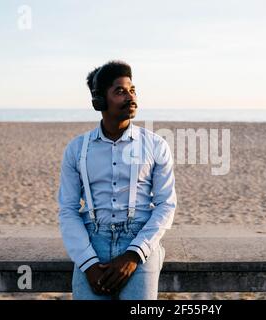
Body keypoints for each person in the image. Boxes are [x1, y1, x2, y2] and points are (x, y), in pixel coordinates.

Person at [57, 60, 177, 300]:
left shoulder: (155, 145)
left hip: (139, 238)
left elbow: (166, 205)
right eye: (120, 91)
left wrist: (134, 255)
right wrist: (87, 262)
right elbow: (67, 210)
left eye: (132, 90)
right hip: (92, 240)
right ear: (100, 101)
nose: (130, 97)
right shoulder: (77, 149)